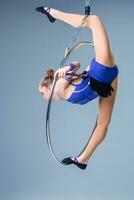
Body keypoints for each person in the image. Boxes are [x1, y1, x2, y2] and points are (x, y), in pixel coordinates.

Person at [36, 6, 119, 170]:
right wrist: (66, 70)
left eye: (42, 92)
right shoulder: (59, 89)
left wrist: (65, 69)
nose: (43, 96)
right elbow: (75, 67)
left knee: (103, 124)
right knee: (93, 20)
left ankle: (82, 159)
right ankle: (52, 12)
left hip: (102, 78)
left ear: (48, 86)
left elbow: (77, 64)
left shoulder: (58, 86)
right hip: (99, 77)